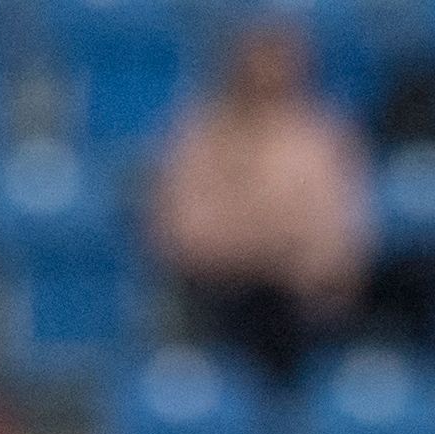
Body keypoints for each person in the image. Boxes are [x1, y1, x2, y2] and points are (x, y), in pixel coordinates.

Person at [149, 15, 375, 385]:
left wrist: (267, 238)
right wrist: (269, 244)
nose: (271, 71)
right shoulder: (201, 135)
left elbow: (341, 237)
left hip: (304, 302)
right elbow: (183, 232)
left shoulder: (324, 136)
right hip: (221, 298)